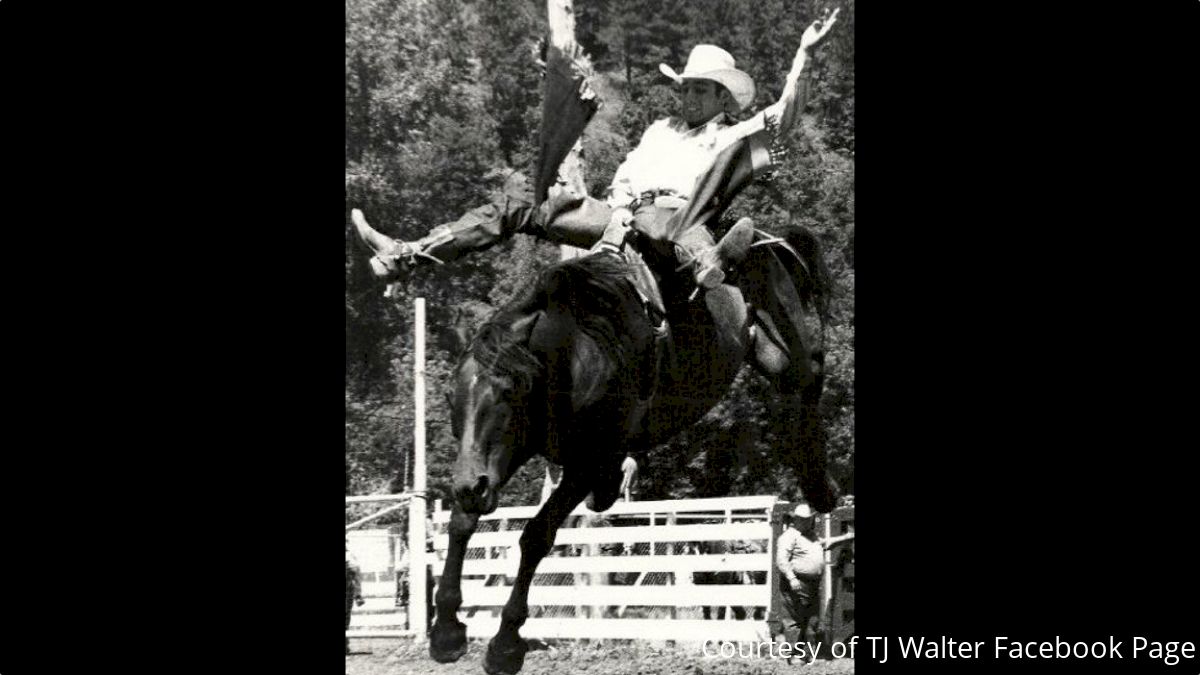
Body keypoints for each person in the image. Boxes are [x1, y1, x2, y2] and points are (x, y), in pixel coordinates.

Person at [352, 9, 840, 291]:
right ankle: (409, 254)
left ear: (721, 98)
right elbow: (626, 175)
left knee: (671, 220)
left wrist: (805, 55)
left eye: (699, 89)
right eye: (686, 87)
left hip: (678, 216)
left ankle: (708, 260)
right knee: (524, 200)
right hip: (621, 218)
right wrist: (617, 207)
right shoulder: (659, 130)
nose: (688, 96)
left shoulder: (731, 135)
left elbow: (785, 114)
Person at [775, 502, 829, 665]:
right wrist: (791, 578)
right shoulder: (789, 536)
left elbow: (823, 544)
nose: (807, 522)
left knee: (810, 620)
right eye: (803, 519)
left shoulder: (810, 535)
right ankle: (793, 655)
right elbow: (781, 560)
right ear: (796, 519)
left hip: (812, 584)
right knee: (794, 619)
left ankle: (806, 654)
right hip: (796, 582)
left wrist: (846, 537)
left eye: (808, 519)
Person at [345, 539, 365, 654]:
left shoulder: (349, 555)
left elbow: (355, 570)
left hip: (347, 588)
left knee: (346, 616)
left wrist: (358, 593)